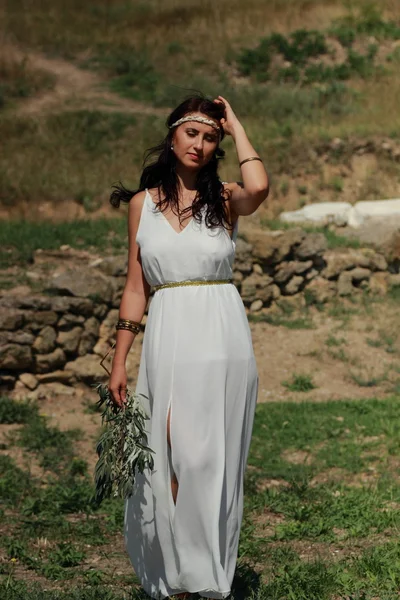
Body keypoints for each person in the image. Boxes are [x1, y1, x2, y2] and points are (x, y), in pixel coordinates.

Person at [108, 93, 269, 599]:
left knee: (208, 461)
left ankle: (199, 578)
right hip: (169, 333)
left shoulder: (223, 197)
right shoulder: (142, 204)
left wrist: (236, 122)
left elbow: (260, 187)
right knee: (169, 455)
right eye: (192, 133)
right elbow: (136, 286)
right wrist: (119, 361)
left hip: (221, 335)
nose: (200, 144)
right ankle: (179, 575)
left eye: (210, 137)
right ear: (173, 134)